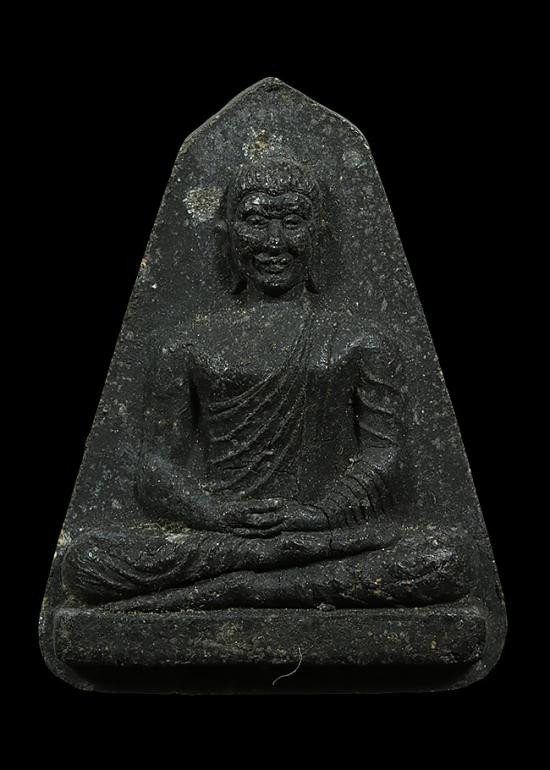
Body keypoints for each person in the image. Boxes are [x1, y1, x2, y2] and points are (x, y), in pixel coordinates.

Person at [62, 158, 468, 611]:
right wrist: (215, 515)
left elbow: (385, 454)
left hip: (322, 534)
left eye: (292, 222)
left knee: (446, 559)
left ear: (318, 235)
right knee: (87, 560)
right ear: (228, 235)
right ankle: (268, 569)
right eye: (255, 221)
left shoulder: (359, 342)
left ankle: (252, 587)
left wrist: (321, 515)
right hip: (227, 537)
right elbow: (156, 467)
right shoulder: (186, 344)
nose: (274, 242)